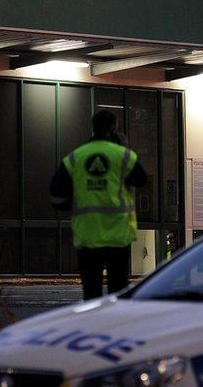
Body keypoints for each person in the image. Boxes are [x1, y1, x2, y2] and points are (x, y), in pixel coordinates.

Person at [51, 110, 148, 300]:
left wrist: (79, 200)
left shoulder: (74, 158)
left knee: (91, 293)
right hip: (118, 235)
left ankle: (94, 326)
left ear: (93, 127)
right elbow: (141, 180)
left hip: (87, 235)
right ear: (114, 128)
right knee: (118, 292)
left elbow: (57, 197)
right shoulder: (123, 156)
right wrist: (125, 148)